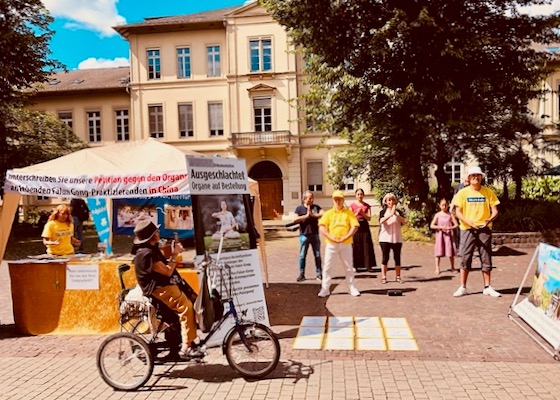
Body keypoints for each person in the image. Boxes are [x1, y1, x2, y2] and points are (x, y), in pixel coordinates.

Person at [132, 220, 202, 358]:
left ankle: (185, 340)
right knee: (186, 307)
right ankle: (187, 346)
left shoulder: (151, 249)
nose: (159, 233)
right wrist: (175, 255)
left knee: (192, 299)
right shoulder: (146, 254)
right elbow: (167, 272)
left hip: (164, 286)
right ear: (152, 236)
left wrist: (172, 252)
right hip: (159, 289)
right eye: (156, 232)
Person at [452, 166, 501, 298]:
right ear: (468, 178)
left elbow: (495, 210)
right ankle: (463, 287)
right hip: (467, 229)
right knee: (465, 257)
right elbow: (457, 212)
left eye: (478, 175)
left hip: (484, 228)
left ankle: (487, 287)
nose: (476, 177)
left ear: (481, 177)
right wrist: (469, 222)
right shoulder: (462, 193)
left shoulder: (488, 192)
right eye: (473, 175)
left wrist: (489, 219)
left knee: (486, 256)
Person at [317, 190, 361, 297]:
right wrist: (330, 237)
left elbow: (355, 226)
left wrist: (346, 236)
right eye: (336, 199)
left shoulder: (348, 213)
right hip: (331, 244)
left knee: (349, 267)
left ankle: (351, 287)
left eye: (340, 199)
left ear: (343, 200)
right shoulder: (328, 213)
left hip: (345, 244)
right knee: (327, 266)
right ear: (332, 200)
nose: (338, 201)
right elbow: (322, 227)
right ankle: (325, 288)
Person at [293, 190, 324, 282]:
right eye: (309, 198)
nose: (311, 199)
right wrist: (306, 216)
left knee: (317, 255)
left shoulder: (316, 207)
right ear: (304, 199)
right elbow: (294, 219)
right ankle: (301, 274)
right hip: (304, 235)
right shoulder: (299, 208)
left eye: (312, 198)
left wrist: (313, 215)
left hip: (315, 235)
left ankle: (319, 274)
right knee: (302, 255)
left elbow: (323, 213)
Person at [379, 193, 407, 284]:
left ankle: (398, 277)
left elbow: (405, 221)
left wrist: (396, 215)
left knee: (397, 258)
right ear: (386, 202)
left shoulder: (398, 212)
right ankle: (384, 277)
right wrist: (390, 214)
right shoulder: (383, 212)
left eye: (392, 200)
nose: (390, 202)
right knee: (385, 258)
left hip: (397, 238)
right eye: (389, 200)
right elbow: (381, 221)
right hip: (385, 238)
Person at [349, 188, 377, 272]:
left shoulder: (367, 206)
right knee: (355, 245)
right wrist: (357, 213)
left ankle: (368, 265)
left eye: (361, 194)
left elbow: (369, 218)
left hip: (364, 225)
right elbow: (350, 217)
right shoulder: (352, 206)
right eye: (358, 194)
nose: (360, 196)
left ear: (363, 195)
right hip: (355, 226)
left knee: (366, 245)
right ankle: (355, 266)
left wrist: (362, 213)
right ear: (355, 195)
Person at [430, 198, 458, 274]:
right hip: (440, 235)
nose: (444, 206)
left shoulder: (450, 215)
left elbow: (456, 224)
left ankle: (452, 267)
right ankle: (437, 267)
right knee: (438, 251)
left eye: (446, 205)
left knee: (450, 251)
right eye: (443, 205)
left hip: (449, 235)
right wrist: (441, 227)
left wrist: (451, 227)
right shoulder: (438, 215)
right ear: (439, 206)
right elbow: (432, 225)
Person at [450, 174, 470, 255]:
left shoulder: (471, 188)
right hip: (459, 210)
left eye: (468, 181)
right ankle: (458, 248)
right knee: (458, 229)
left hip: (468, 211)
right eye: (465, 181)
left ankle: (466, 248)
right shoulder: (459, 187)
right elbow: (454, 197)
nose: (466, 183)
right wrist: (451, 208)